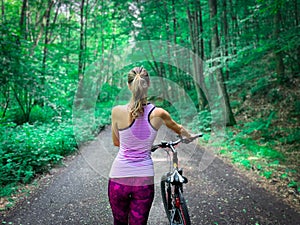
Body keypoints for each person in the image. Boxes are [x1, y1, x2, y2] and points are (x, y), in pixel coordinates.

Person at [108, 67, 192, 225]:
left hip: (118, 178)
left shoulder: (116, 111)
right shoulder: (159, 113)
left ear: (129, 85)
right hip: (143, 180)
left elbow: (116, 142)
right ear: (148, 84)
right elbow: (179, 129)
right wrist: (190, 136)